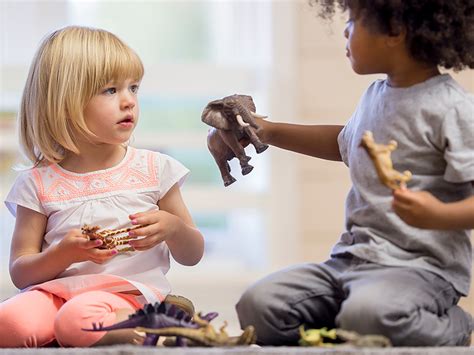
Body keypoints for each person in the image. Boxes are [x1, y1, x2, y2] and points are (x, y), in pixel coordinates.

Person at [236, 0, 474, 347]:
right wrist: (269, 131)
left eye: (353, 22)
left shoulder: (451, 108)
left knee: (369, 316)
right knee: (260, 305)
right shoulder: (374, 96)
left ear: (394, 30)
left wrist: (439, 215)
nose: (345, 31)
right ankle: (351, 328)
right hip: (351, 261)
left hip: (421, 269)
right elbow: (342, 143)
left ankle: (455, 328)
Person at [0, 26, 204, 348]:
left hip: (128, 294)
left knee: (77, 321)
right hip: (54, 294)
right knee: (7, 322)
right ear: (64, 103)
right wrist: (62, 253)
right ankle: (74, 334)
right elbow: (22, 273)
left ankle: (156, 328)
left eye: (133, 88)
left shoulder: (154, 169)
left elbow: (193, 254)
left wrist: (174, 229)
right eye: (110, 91)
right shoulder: (37, 182)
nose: (129, 102)